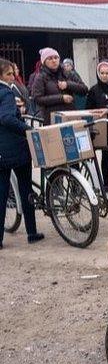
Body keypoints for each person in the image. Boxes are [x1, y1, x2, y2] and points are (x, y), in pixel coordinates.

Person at [0, 59, 44, 247]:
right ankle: (32, 232)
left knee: (1, 194)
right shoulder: (6, 92)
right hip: (16, 149)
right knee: (26, 190)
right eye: (9, 74)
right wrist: (27, 129)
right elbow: (7, 118)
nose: (12, 77)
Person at [29, 47, 87, 124]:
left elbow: (84, 90)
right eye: (50, 59)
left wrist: (68, 84)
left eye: (56, 58)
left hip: (70, 116)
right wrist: (61, 98)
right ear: (44, 62)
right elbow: (38, 99)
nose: (54, 61)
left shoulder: (68, 73)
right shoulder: (40, 77)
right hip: (51, 119)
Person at [87, 61, 108, 191]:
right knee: (106, 154)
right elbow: (88, 109)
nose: (104, 76)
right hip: (102, 125)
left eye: (107, 73)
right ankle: (106, 183)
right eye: (102, 73)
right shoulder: (94, 90)